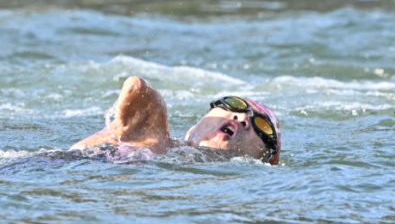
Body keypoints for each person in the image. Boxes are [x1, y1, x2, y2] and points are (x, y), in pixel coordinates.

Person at [70, 76, 281, 165]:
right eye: (233, 104)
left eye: (262, 125)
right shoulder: (152, 135)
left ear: (264, 160)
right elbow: (137, 86)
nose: (242, 117)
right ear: (190, 131)